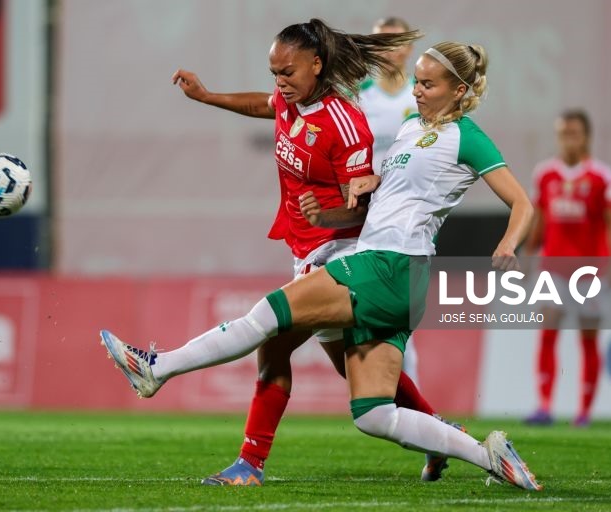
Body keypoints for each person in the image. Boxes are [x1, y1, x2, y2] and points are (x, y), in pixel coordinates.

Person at [101, 39, 541, 491]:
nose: (417, 91)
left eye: (429, 84)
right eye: (417, 81)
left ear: (460, 90)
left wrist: (509, 242)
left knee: (267, 317)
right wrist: (370, 183)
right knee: (372, 413)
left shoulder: (467, 137)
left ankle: (158, 368)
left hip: (390, 265)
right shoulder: (412, 127)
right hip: (395, 277)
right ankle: (487, 455)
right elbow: (392, 195)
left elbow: (522, 202)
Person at [171, 19, 454, 487]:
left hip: (356, 245)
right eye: (274, 71)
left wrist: (336, 213)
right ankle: (440, 436)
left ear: (316, 64)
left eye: (286, 71)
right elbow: (267, 105)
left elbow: (365, 193)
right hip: (317, 240)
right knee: (361, 372)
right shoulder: (312, 97)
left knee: (274, 339)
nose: (278, 80)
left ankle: (243, 457)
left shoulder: (391, 108)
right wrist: (208, 97)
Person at [523, 110, 611, 428]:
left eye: (574, 133)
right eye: (564, 133)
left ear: (586, 136)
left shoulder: (601, 177)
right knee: (548, 331)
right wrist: (528, 251)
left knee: (588, 339)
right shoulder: (545, 174)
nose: (569, 138)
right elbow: (539, 220)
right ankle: (544, 406)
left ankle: (584, 412)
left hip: (590, 271)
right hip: (553, 266)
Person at [358, 16, 421, 386]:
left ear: (409, 47)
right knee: (373, 307)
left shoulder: (421, 96)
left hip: (407, 215)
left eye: (396, 40)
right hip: (366, 214)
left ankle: (412, 401)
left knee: (402, 312)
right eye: (380, 40)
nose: (388, 47)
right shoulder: (360, 96)